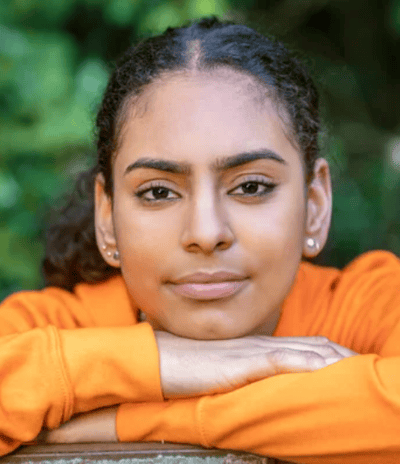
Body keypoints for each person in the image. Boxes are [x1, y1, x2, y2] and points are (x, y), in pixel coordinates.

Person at [1, 16, 399, 464]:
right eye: (158, 192)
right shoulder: (55, 327)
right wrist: (162, 363)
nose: (207, 234)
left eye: (251, 186)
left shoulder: (370, 304)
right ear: (108, 217)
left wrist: (126, 421)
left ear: (315, 204)